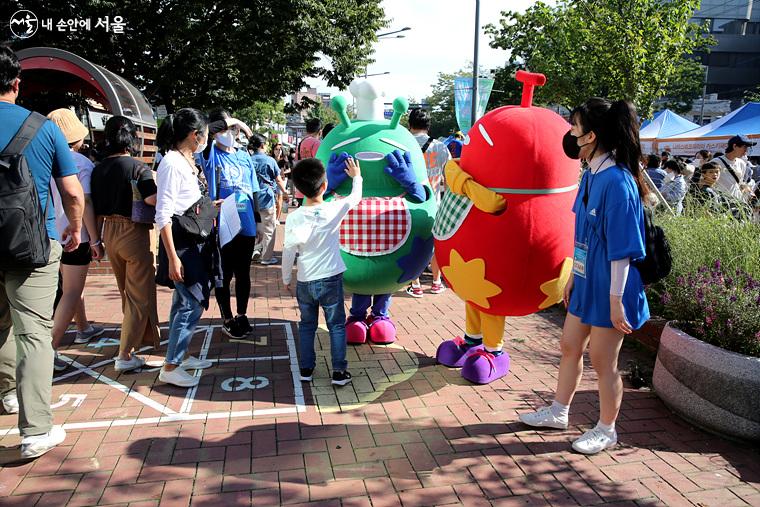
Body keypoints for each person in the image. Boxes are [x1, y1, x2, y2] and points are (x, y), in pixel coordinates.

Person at [519, 98, 650, 455]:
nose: (570, 133)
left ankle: (607, 430)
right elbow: (583, 236)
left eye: (574, 127)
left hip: (613, 287)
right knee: (569, 346)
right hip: (588, 280)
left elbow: (622, 250)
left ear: (591, 135)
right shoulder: (591, 173)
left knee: (603, 363)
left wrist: (615, 301)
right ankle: (559, 411)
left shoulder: (617, 182)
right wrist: (575, 276)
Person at [0, 45, 85, 458]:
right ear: (17, 83)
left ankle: (6, 392)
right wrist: (74, 228)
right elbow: (71, 190)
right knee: (32, 330)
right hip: (33, 241)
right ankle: (34, 429)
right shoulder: (42, 127)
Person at [281, 156, 363, 386]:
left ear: (298, 189)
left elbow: (289, 251)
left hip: (306, 280)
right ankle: (339, 372)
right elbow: (354, 198)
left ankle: (306, 369)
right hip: (331, 278)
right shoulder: (333, 208)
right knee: (336, 325)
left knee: (307, 325)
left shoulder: (295, 217)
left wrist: (286, 277)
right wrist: (357, 177)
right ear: (325, 186)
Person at [91, 116, 161, 371]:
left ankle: (131, 342)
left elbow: (93, 207)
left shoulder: (98, 168)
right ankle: (125, 354)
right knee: (138, 297)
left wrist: (95, 239)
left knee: (126, 293)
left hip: (109, 230)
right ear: (132, 138)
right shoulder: (136, 166)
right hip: (134, 231)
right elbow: (152, 199)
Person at [154, 109, 217, 388]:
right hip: (181, 245)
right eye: (204, 134)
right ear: (195, 135)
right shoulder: (171, 163)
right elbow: (163, 214)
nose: (205, 139)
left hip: (193, 240)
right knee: (191, 303)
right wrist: (171, 258)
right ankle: (170, 366)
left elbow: (188, 202)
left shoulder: (184, 160)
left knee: (183, 303)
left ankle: (181, 355)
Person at [46, 109, 104, 372]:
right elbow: (85, 201)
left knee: (69, 285)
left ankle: (82, 327)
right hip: (74, 234)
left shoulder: (41, 157)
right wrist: (94, 239)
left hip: (47, 233)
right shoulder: (81, 163)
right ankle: (49, 350)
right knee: (70, 291)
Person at [196, 108, 259, 339]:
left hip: (247, 223)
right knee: (224, 273)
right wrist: (234, 120)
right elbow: (206, 131)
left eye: (233, 129)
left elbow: (253, 191)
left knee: (244, 273)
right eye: (225, 128)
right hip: (222, 223)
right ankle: (227, 317)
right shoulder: (210, 153)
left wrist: (259, 221)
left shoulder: (244, 156)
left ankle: (242, 314)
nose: (230, 132)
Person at [405, 108, 451, 297]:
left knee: (412, 244)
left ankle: (415, 284)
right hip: (435, 205)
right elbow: (449, 178)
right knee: (434, 245)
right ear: (428, 125)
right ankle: (436, 282)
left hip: (412, 204)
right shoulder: (440, 147)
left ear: (410, 125)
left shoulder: (404, 144)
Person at [251, 134, 287, 265]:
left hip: (251, 199)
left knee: (256, 227)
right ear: (262, 145)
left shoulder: (248, 159)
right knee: (269, 229)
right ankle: (266, 257)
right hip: (266, 198)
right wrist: (285, 193)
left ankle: (255, 251)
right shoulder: (270, 161)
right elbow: (278, 179)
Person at [710, 135, 756, 202]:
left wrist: (748, 190)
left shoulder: (742, 163)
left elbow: (740, 183)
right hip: (721, 202)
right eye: (744, 147)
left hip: (737, 202)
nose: (746, 151)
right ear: (734, 146)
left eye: (748, 148)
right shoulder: (716, 162)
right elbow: (706, 182)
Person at [294, 118, 323, 205]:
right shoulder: (317, 143)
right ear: (320, 131)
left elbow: (296, 162)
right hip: (313, 191)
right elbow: (321, 165)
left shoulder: (300, 143)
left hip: (300, 190)